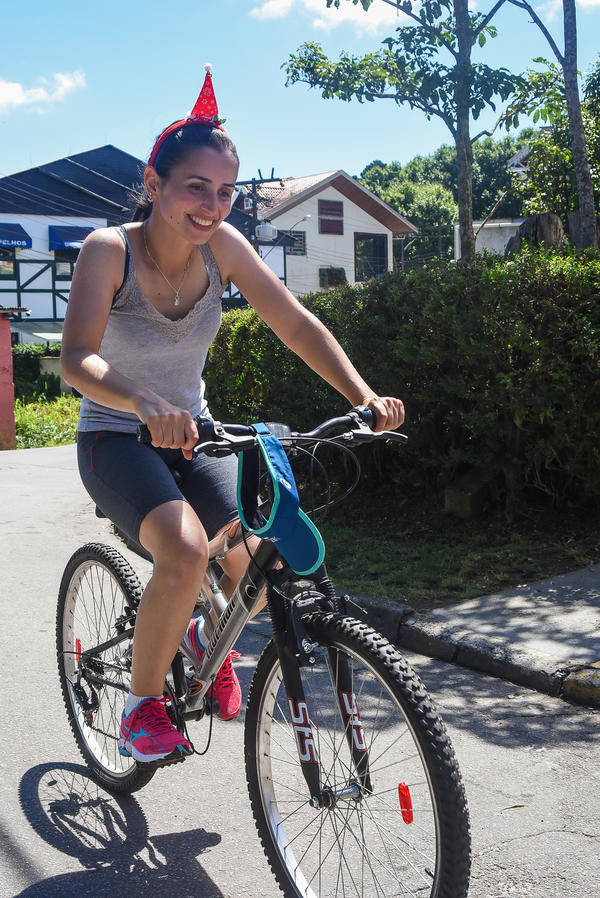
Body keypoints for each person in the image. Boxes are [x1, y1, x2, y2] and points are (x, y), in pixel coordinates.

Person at [60, 67, 405, 765]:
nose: (212, 206)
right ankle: (141, 707)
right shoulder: (110, 251)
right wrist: (145, 402)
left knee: (254, 555)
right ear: (154, 185)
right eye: (195, 187)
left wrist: (360, 396)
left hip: (197, 433)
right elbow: (76, 360)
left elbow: (298, 326)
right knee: (185, 552)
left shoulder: (224, 250)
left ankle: (198, 639)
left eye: (224, 192)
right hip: (115, 438)